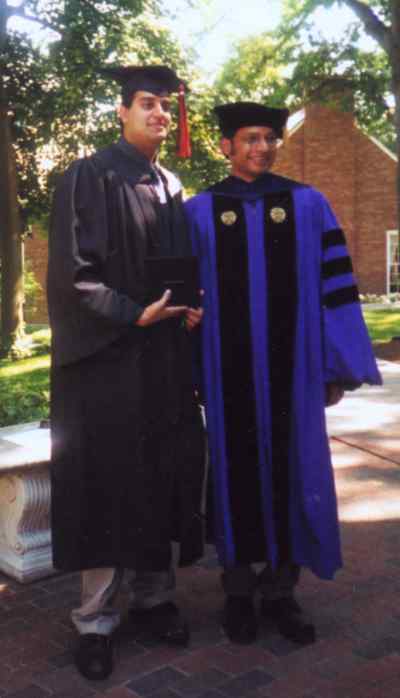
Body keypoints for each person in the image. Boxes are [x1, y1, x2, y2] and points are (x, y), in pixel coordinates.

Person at [184, 101, 381, 645]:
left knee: (295, 473)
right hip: (229, 378)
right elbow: (184, 300)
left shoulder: (308, 204)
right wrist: (189, 367)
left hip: (293, 375)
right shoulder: (199, 212)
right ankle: (238, 593)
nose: (262, 148)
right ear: (226, 146)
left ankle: (282, 593)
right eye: (249, 139)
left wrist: (335, 366)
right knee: (235, 475)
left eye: (269, 138)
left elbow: (336, 287)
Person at [47, 65, 205, 680]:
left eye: (166, 106)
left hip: (161, 363)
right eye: (147, 103)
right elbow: (71, 275)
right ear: (121, 111)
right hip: (106, 366)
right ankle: (94, 619)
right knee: (109, 482)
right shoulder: (88, 177)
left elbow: (179, 270)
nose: (159, 114)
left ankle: (153, 599)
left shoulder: (171, 185)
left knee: (161, 474)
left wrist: (187, 308)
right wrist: (131, 314)